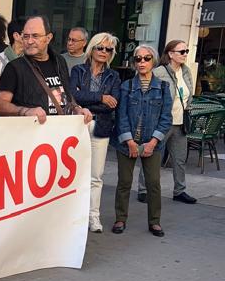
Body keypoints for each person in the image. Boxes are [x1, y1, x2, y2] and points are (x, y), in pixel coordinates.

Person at [112, 46, 170, 236]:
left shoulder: (163, 87)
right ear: (134, 62)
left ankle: (155, 221)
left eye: (146, 58)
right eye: (138, 59)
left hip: (152, 143)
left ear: (153, 61)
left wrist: (153, 142)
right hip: (127, 143)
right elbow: (121, 116)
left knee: (153, 183)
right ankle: (120, 219)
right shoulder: (126, 86)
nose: (142, 62)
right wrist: (129, 141)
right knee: (124, 182)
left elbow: (166, 118)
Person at [0, 16, 94, 127]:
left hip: (60, 132)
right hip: (31, 135)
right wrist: (26, 111)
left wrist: (77, 109)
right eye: (26, 36)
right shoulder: (14, 67)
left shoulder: (59, 61)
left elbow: (66, 95)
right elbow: (0, 105)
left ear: (48, 38)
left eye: (35, 36)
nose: (29, 41)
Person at [69, 33, 122, 232]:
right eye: (100, 47)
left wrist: (90, 103)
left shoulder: (114, 76)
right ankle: (74, 216)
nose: (104, 52)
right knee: (74, 174)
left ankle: (94, 217)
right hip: (79, 125)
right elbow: (74, 95)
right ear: (92, 48)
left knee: (96, 176)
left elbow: (113, 104)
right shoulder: (78, 70)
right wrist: (101, 97)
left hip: (101, 127)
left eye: (109, 49)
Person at [151, 39, 197, 205]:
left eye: (186, 51)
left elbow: (188, 95)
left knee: (179, 159)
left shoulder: (186, 72)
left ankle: (180, 191)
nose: (185, 55)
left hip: (180, 123)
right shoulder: (159, 72)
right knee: (153, 158)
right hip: (162, 123)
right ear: (170, 54)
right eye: (182, 52)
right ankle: (144, 189)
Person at [0, 16, 26, 104]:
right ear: (16, 36)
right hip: (0, 114)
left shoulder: (29, 60)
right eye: (26, 34)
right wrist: (11, 95)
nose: (30, 39)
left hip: (23, 113)